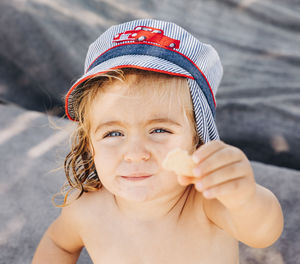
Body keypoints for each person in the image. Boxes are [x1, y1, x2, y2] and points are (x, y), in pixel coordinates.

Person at [32, 19, 283, 264]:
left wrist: (245, 198)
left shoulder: (206, 204)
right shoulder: (85, 212)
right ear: (90, 145)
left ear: (197, 139)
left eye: (159, 130)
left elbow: (262, 233)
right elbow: (59, 244)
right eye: (113, 133)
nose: (135, 153)